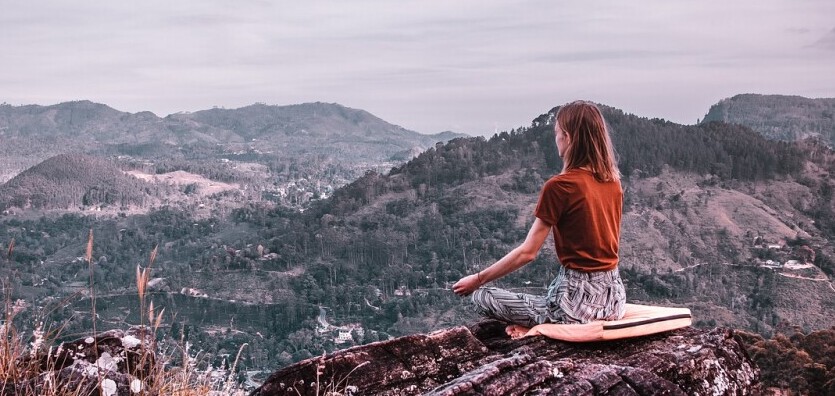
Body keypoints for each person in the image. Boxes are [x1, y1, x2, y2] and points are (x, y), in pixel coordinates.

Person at [452, 100, 626, 337]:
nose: (556, 139)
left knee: (483, 297)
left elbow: (528, 252)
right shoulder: (613, 182)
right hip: (613, 300)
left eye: (557, 133)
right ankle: (545, 322)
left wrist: (478, 279)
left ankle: (544, 326)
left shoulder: (560, 186)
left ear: (568, 137)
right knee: (543, 296)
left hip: (574, 307)